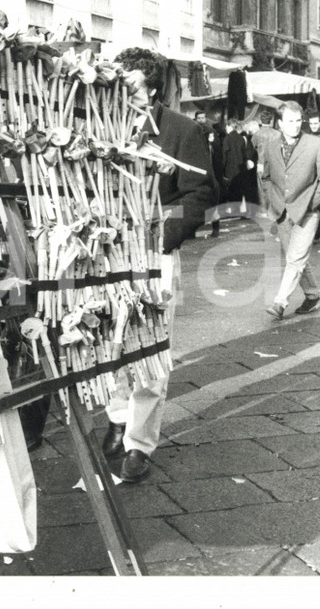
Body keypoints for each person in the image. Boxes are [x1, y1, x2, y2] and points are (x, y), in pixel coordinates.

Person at [102, 47, 216, 483]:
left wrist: (162, 236)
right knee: (107, 338)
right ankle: (116, 414)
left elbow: (200, 194)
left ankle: (139, 443)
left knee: (151, 346)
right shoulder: (102, 121)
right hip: (108, 248)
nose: (119, 89)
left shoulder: (182, 130)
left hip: (154, 249)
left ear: (148, 86)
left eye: (127, 83)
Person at [262, 101, 320, 319]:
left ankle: (280, 302)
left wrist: (311, 203)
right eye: (290, 121)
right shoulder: (271, 146)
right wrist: (273, 200)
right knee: (296, 258)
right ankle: (312, 296)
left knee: (295, 258)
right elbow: (266, 177)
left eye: (298, 121)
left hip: (308, 212)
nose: (295, 125)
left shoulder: (317, 144)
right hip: (282, 213)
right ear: (280, 123)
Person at [222, 118, 258, 218]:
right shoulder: (242, 138)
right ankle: (245, 213)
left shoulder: (227, 138)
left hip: (230, 169)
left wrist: (222, 169)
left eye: (226, 126)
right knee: (242, 190)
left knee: (232, 190)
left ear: (229, 126)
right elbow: (246, 154)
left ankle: (235, 212)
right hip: (241, 168)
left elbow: (224, 155)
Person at [250, 109, 279, 218]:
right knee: (273, 186)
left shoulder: (256, 134)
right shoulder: (277, 134)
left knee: (261, 188)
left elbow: (252, 149)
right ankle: (273, 209)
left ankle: (263, 210)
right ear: (271, 120)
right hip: (275, 163)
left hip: (261, 163)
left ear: (261, 120)